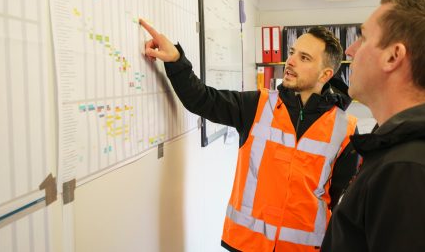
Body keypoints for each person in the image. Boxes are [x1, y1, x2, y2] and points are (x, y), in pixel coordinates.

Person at [139, 20, 358, 251]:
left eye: (304, 58)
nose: (290, 61)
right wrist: (175, 60)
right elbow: (202, 99)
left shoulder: (345, 129)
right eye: (292, 52)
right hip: (247, 244)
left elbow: (337, 200)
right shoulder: (257, 105)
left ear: (325, 74)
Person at [321, 0, 425, 252]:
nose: (350, 51)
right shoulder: (405, 152)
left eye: (364, 37)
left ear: (393, 57)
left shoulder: (412, 174)